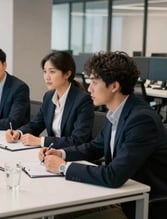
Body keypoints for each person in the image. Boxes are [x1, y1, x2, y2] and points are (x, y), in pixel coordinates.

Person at [41, 51, 167, 219]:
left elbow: (113, 176)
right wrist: (61, 153)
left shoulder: (141, 120)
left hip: (140, 204)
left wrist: (63, 167)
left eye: (94, 82)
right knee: (54, 211)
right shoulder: (117, 111)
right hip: (119, 194)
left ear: (114, 86)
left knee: (60, 215)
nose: (89, 88)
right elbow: (95, 147)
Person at [5, 51, 94, 148]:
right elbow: (36, 124)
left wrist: (41, 141)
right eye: (45, 71)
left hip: (74, 156)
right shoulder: (48, 97)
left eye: (52, 72)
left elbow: (78, 140)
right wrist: (19, 133)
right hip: (51, 153)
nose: (47, 77)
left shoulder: (82, 100)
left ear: (67, 74)